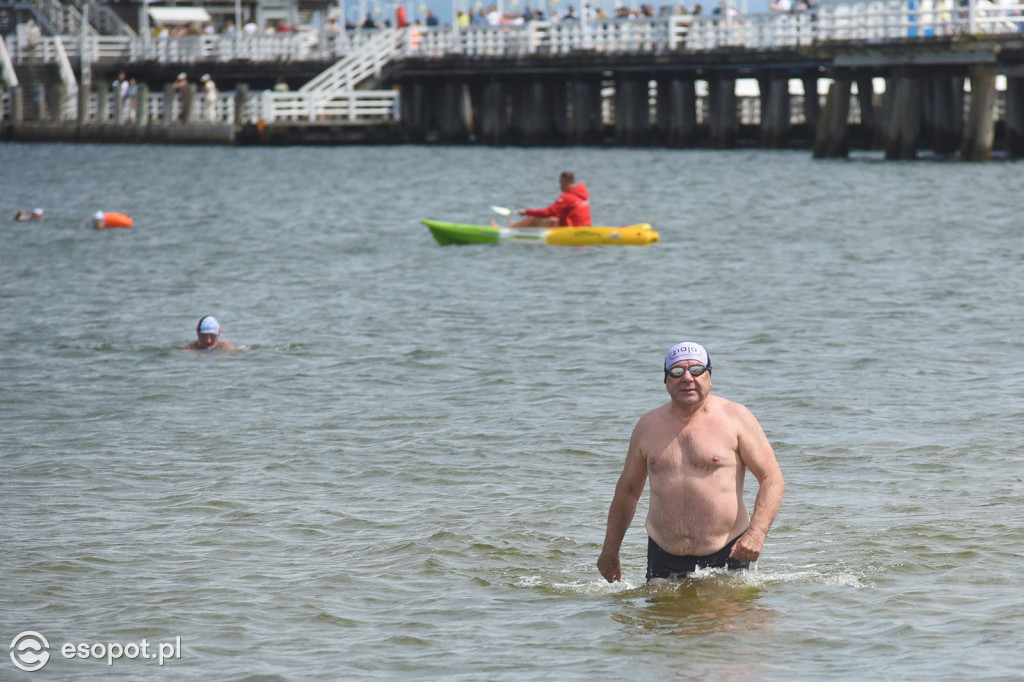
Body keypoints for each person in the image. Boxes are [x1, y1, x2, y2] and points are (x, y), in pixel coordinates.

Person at [597, 341, 784, 583]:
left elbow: (772, 479)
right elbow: (627, 492)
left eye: (696, 370)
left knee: (723, 618)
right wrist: (609, 551)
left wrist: (757, 533)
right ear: (666, 380)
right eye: (676, 372)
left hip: (727, 549)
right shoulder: (647, 427)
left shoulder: (736, 417)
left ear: (709, 377)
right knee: (659, 618)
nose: (687, 378)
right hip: (664, 553)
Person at [509, 171, 592, 228]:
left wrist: (527, 211)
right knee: (552, 217)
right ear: (573, 181)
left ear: (562, 181)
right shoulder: (583, 190)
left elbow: (547, 212)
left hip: (571, 229)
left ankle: (511, 230)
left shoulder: (566, 196)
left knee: (533, 218)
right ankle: (518, 227)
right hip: (586, 225)